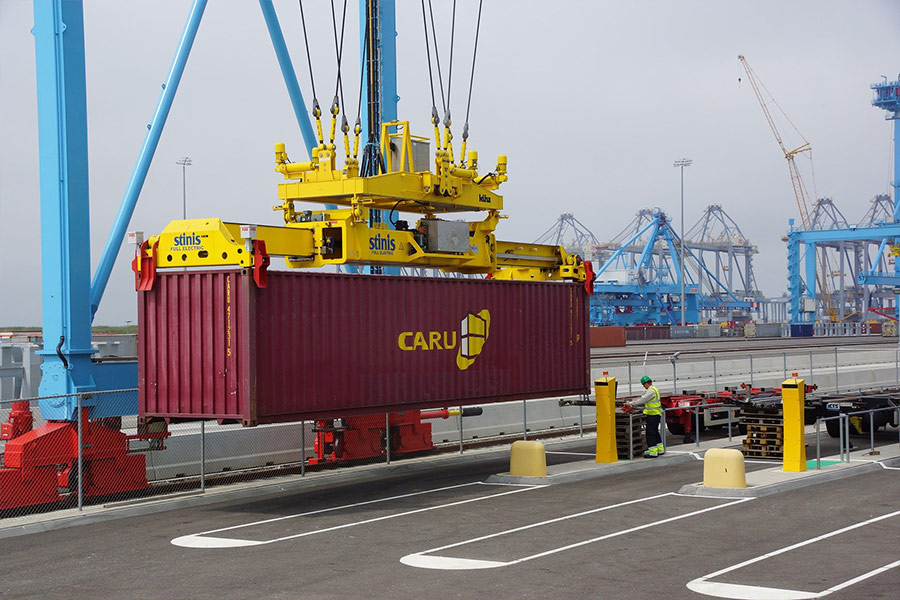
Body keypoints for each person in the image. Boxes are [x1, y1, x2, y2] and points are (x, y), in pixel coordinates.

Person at [625, 375, 665, 457]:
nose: (644, 387)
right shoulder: (654, 389)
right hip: (656, 414)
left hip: (652, 414)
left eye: (643, 385)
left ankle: (653, 452)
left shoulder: (650, 391)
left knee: (650, 433)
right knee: (655, 432)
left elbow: (642, 400)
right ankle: (660, 449)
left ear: (646, 383)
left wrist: (630, 404)